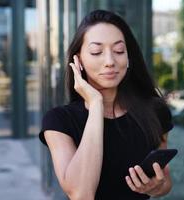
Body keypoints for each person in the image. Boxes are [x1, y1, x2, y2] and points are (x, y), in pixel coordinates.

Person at [39, 10, 174, 200]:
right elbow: (81, 194)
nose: (110, 61)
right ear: (78, 61)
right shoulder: (59, 121)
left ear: (128, 58)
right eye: (96, 52)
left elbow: (166, 182)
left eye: (119, 51)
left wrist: (156, 187)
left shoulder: (154, 111)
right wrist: (95, 104)